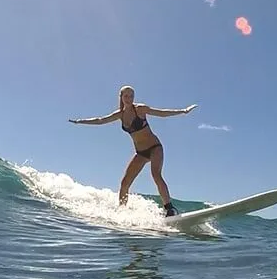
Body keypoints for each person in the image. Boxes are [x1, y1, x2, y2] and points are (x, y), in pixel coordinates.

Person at [68, 85, 197, 216]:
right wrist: (80, 121)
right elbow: (100, 120)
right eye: (126, 96)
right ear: (121, 97)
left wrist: (183, 111)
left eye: (131, 96)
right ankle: (122, 212)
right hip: (140, 153)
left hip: (155, 148)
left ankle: (170, 208)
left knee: (156, 174)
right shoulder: (120, 115)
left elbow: (162, 113)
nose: (129, 99)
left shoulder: (140, 109)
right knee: (124, 183)